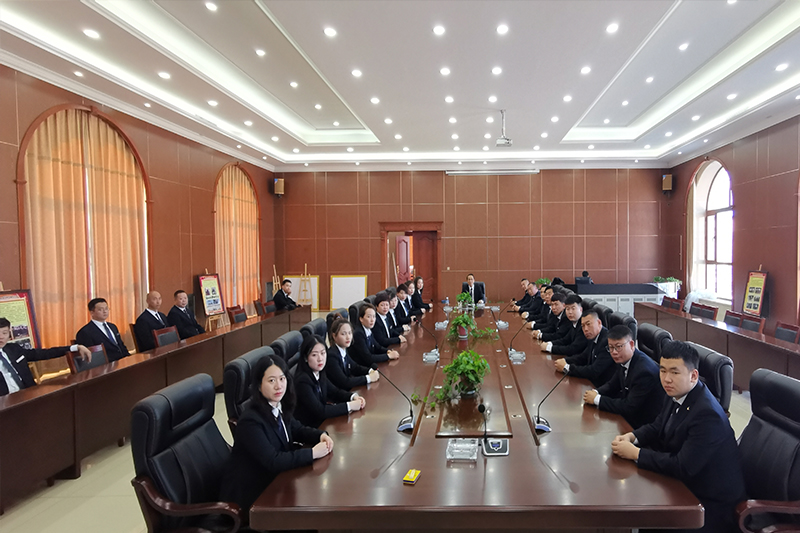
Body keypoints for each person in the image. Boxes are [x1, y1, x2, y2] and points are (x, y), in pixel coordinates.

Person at [611, 340, 746, 532]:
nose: (666, 379)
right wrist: (632, 437)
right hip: (685, 487)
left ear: (693, 375)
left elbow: (683, 467)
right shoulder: (677, 393)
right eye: (663, 370)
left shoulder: (707, 415)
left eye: (674, 372)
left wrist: (636, 453)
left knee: (644, 517)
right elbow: (658, 426)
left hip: (709, 505)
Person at [219, 354, 333, 516]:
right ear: (259, 386)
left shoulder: (278, 406)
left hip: (274, 482)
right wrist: (313, 453)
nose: (279, 386)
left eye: (282, 378)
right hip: (251, 497)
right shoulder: (250, 421)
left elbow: (297, 429)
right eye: (271, 381)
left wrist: (321, 435)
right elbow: (273, 461)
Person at [583, 325, 665, 429]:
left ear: (631, 344)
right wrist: (596, 392)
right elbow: (612, 385)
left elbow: (629, 407)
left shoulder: (644, 372)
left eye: (618, 347)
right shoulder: (624, 359)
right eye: (611, 347)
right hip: (630, 416)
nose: (614, 352)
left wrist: (597, 399)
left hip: (643, 424)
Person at [0, 317, 92, 397]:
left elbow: (44, 353)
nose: (1, 337)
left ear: (9, 334)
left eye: (4, 333)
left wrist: (74, 347)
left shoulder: (13, 349)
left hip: (28, 394)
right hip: (5, 401)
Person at [294, 335, 366, 428]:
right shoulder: (302, 381)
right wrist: (349, 406)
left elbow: (335, 392)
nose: (320, 359)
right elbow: (321, 411)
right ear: (305, 358)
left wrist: (353, 397)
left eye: (323, 353)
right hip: (310, 428)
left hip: (323, 423)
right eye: (314, 355)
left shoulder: (319, 372)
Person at [553, 309, 615, 388]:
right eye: (583, 326)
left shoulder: (607, 341)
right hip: (591, 383)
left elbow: (594, 371)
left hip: (601, 387)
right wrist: (565, 360)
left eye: (588, 324)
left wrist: (567, 368)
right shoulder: (593, 336)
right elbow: (583, 357)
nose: (585, 329)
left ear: (599, 322)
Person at [326, 318, 379, 391]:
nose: (348, 337)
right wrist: (369, 378)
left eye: (350, 333)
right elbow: (345, 382)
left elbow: (355, 367)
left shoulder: (343, 350)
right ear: (334, 336)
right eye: (343, 334)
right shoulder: (332, 356)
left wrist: (370, 371)